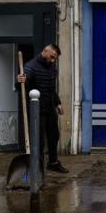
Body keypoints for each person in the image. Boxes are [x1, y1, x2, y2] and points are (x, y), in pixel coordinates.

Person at [17, 44, 68, 173]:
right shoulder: (31, 67)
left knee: (54, 135)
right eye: (52, 57)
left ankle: (53, 162)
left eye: (55, 58)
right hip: (36, 110)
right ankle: (37, 167)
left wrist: (58, 103)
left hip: (50, 107)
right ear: (44, 51)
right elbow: (22, 83)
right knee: (38, 140)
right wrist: (19, 80)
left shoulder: (51, 67)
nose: (53, 60)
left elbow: (51, 88)